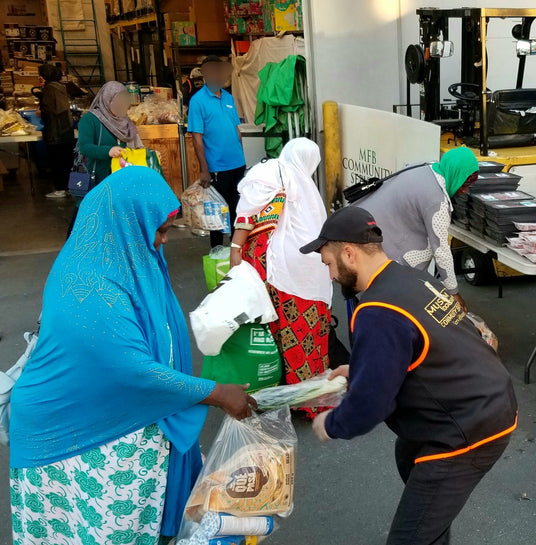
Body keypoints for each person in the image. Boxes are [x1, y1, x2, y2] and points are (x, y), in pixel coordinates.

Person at [8, 167, 256, 545]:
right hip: (69, 437)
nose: (164, 240)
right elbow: (131, 369)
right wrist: (217, 393)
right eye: (160, 230)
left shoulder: (126, 261)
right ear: (127, 222)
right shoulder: (89, 285)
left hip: (102, 414)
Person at [303, 206, 517, 545]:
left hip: (470, 425)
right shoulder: (411, 278)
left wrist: (330, 424)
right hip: (488, 396)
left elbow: (370, 404)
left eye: (329, 263)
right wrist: (359, 369)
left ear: (349, 253)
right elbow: (412, 347)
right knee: (409, 456)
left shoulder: (377, 311)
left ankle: (425, 525)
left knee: (410, 536)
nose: (330, 275)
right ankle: (431, 521)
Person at [229, 137, 333, 419]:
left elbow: (247, 213)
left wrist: (235, 249)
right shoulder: (308, 190)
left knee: (269, 331)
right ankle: (307, 399)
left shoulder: (268, 171)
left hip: (271, 266)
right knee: (303, 332)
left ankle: (268, 394)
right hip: (308, 272)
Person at [354, 147, 479, 312]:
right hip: (372, 248)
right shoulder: (437, 202)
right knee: (383, 307)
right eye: (464, 184)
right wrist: (453, 293)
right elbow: (441, 250)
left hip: (356, 229)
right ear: (456, 174)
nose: (464, 191)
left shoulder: (425, 166)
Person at [67, 81, 142, 237]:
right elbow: (85, 147)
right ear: (107, 99)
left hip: (119, 178)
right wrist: (108, 151)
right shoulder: (90, 119)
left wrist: (150, 154)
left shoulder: (125, 122)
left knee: (114, 221)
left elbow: (136, 146)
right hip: (96, 178)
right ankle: (77, 247)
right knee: (87, 218)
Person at [189, 55, 247, 248]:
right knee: (216, 211)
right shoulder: (197, 101)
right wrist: (204, 169)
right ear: (204, 74)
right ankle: (217, 250)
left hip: (237, 164)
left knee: (237, 208)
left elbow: (237, 130)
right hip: (217, 167)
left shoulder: (229, 98)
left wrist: (242, 158)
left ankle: (236, 249)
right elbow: (197, 138)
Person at [38, 63, 75, 199]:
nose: (39, 78)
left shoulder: (49, 89)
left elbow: (48, 111)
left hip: (55, 132)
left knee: (57, 162)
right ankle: (70, 188)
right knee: (67, 161)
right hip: (66, 131)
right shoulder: (61, 87)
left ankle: (60, 189)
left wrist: (40, 111)